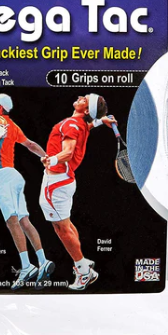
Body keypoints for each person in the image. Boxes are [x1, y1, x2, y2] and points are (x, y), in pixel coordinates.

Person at [40, 94, 116, 291]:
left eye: (85, 99)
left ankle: (83, 272)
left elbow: (68, 153)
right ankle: (83, 262)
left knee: (62, 230)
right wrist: (102, 120)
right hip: (63, 180)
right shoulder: (80, 123)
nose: (81, 97)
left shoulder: (72, 124)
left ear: (87, 109)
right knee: (65, 225)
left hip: (56, 182)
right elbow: (87, 126)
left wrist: (51, 160)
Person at [0, 93, 54, 289]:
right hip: (15, 176)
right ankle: (43, 261)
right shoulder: (13, 125)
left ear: (0, 107)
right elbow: (30, 144)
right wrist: (46, 157)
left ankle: (26, 266)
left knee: (12, 221)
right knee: (24, 221)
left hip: (2, 176)